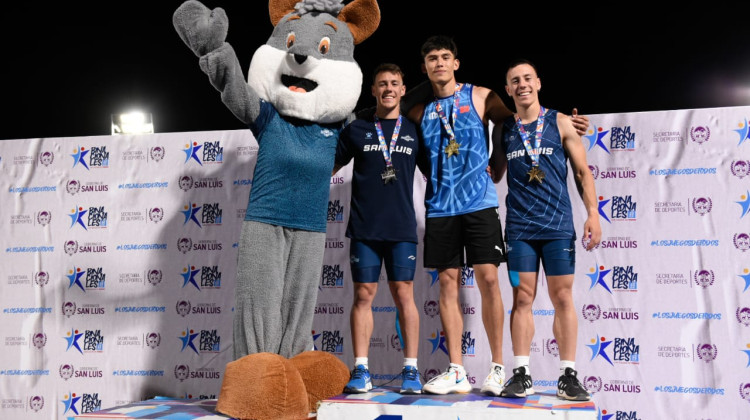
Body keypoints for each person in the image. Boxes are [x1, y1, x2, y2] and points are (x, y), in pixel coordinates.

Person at [404, 35, 590, 396]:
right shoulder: (419, 109)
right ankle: (456, 369)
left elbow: (524, 120)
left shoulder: (483, 96)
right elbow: (389, 109)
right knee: (446, 284)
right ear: (424, 67)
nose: (439, 63)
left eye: (445, 57)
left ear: (456, 63)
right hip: (441, 206)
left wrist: (568, 121)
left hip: (479, 204)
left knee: (490, 280)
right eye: (431, 59)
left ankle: (498, 367)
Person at [489, 58, 602, 401]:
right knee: (522, 297)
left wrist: (593, 214)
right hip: (520, 228)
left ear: (538, 83)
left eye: (527, 78)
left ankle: (568, 375)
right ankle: (521, 373)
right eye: (514, 81)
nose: (521, 84)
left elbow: (583, 173)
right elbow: (495, 173)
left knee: (562, 298)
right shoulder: (504, 129)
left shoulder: (562, 122)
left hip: (557, 228)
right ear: (507, 90)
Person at [333, 63, 423, 394]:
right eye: (382, 83)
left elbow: (439, 167)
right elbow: (330, 165)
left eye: (394, 84)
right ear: (373, 90)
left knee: (404, 295)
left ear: (402, 90)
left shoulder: (414, 129)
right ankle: (361, 369)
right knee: (363, 296)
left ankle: (411, 370)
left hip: (401, 228)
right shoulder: (356, 129)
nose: (388, 88)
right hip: (365, 229)